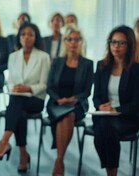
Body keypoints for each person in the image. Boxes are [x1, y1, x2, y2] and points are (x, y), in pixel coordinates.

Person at [0, 23, 50, 173]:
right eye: (23, 34)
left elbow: (44, 85)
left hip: (36, 100)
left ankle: (4, 142)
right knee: (19, 111)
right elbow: (11, 82)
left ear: (35, 37)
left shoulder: (43, 57)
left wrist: (28, 88)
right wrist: (16, 88)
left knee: (15, 105)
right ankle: (23, 154)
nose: (26, 37)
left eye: (30, 34)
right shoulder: (13, 57)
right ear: (19, 37)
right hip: (18, 100)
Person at [46, 26, 93, 176]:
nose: (73, 42)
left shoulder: (87, 64)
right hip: (56, 103)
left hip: (77, 105)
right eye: (70, 39)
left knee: (68, 115)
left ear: (81, 42)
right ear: (65, 41)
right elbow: (49, 87)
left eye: (76, 39)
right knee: (64, 115)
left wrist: (73, 99)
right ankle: (60, 160)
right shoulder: (57, 62)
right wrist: (59, 99)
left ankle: (59, 160)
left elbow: (86, 91)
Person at [92, 26, 139, 176]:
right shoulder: (101, 66)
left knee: (104, 128)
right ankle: (112, 173)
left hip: (127, 118)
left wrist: (116, 110)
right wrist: (101, 106)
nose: (116, 47)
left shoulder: (136, 70)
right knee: (104, 126)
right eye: (113, 42)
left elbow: (137, 103)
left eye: (121, 43)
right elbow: (96, 96)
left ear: (129, 45)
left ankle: (111, 173)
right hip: (104, 116)